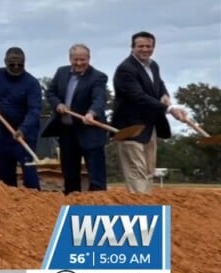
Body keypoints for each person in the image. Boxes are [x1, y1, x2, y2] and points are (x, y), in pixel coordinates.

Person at [112, 31, 189, 194]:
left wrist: (164, 95)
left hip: (150, 126)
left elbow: (159, 84)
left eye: (149, 46)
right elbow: (138, 96)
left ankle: (147, 202)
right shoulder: (125, 69)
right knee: (136, 170)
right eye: (141, 46)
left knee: (148, 170)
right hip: (130, 128)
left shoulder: (153, 65)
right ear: (132, 47)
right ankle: (139, 205)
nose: (145, 49)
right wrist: (169, 109)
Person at [41, 44, 109, 194]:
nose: (79, 63)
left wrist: (91, 113)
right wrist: (58, 104)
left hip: (90, 133)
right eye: (75, 59)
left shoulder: (98, 77)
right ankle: (72, 201)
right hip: (67, 132)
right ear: (70, 59)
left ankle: (97, 203)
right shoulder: (61, 72)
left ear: (89, 59)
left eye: (82, 60)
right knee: (70, 175)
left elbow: (99, 99)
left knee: (96, 177)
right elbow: (51, 93)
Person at [0, 47, 42, 190]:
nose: (16, 67)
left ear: (24, 63)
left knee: (29, 175)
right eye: (12, 64)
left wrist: (23, 129)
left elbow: (34, 110)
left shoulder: (32, 83)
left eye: (19, 64)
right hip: (3, 133)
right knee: (4, 179)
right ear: (5, 62)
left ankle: (33, 199)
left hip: (25, 135)